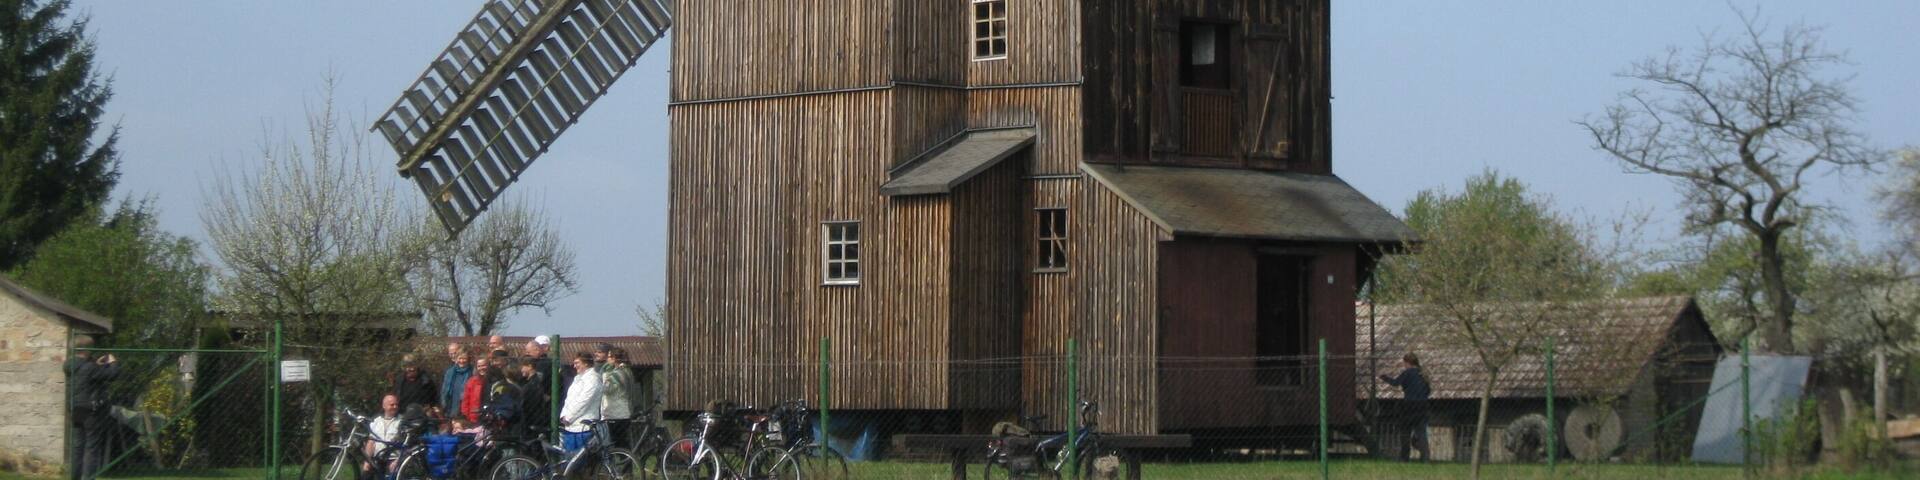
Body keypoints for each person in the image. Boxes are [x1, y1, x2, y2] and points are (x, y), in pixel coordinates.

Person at [65, 336, 119, 480]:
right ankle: (88, 477)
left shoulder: (69, 365)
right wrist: (113, 362)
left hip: (75, 408)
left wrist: (96, 363)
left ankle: (75, 477)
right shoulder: (89, 368)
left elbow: (85, 372)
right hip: (90, 409)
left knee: (77, 446)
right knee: (92, 447)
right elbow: (112, 375)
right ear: (88, 350)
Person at [1379, 353, 1432, 461]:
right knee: (1421, 432)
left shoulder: (1408, 373)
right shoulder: (1423, 374)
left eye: (1404, 363)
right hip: (1423, 406)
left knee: (1405, 431)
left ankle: (1404, 457)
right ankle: (1425, 457)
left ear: (1407, 362)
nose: (1404, 365)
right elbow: (1428, 391)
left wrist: (1384, 377)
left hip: (1410, 405)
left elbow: (1395, 383)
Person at [558, 353, 603, 454]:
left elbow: (583, 401)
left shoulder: (593, 379)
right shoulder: (578, 379)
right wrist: (563, 416)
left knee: (583, 462)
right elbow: (568, 400)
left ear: (586, 363)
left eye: (577, 363)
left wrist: (568, 417)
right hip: (571, 427)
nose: (574, 366)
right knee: (570, 461)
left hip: (584, 427)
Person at [599, 347, 634, 447]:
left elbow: (606, 389)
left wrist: (604, 375)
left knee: (618, 444)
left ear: (616, 358)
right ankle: (627, 461)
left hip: (616, 413)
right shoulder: (628, 371)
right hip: (624, 412)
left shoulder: (617, 374)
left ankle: (624, 461)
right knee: (623, 444)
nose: (607, 359)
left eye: (610, 357)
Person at [365, 394, 405, 473]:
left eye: (396, 404)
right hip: (378, 458)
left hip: (394, 459)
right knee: (366, 474)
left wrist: (398, 460)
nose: (395, 407)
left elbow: (406, 444)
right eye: (392, 405)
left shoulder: (402, 422)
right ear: (384, 406)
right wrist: (367, 461)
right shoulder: (376, 421)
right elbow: (371, 442)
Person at [440, 346, 474, 417]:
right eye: (460, 358)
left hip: (466, 406)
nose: (461, 361)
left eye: (464, 358)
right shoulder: (449, 372)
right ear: (456, 359)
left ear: (468, 359)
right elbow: (444, 390)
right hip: (451, 405)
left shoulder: (473, 372)